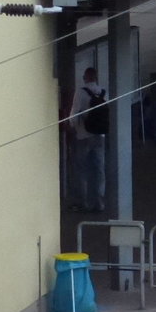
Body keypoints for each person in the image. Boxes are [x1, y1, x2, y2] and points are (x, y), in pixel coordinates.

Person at [68, 67, 106, 213]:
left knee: (81, 169)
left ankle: (82, 202)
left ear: (86, 78)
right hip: (100, 136)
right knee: (99, 169)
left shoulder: (80, 92)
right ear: (96, 77)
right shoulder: (104, 91)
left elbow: (73, 115)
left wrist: (74, 127)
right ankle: (99, 202)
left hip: (83, 136)